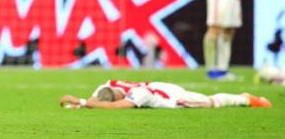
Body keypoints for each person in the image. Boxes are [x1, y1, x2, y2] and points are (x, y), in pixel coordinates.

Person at [59, 79, 271, 109]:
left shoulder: (138, 95)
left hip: (171, 97)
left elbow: (113, 107)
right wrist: (79, 105)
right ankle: (244, 97)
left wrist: (80, 100)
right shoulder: (110, 84)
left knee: (210, 102)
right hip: (160, 85)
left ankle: (248, 100)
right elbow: (101, 99)